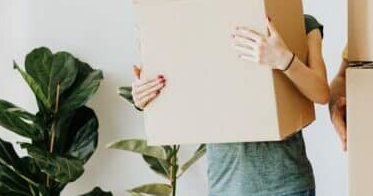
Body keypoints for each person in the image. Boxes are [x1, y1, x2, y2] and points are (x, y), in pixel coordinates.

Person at [131, 15, 329, 196]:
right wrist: (145, 97)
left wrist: (283, 59)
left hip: (287, 186)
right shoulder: (197, 25)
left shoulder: (300, 22)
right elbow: (180, 90)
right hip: (225, 185)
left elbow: (321, 93)